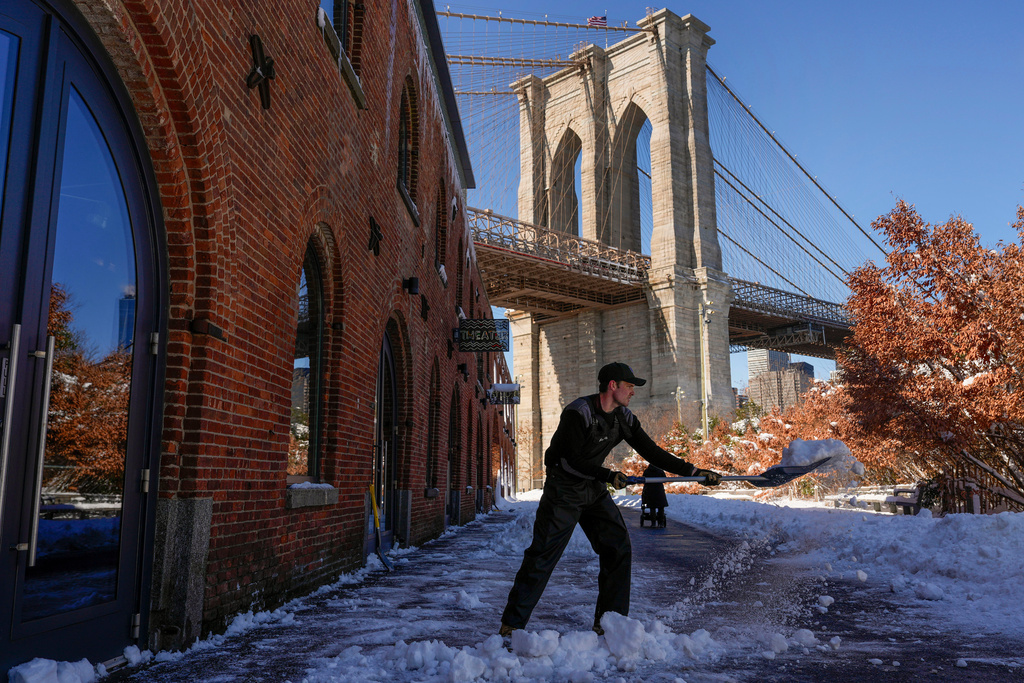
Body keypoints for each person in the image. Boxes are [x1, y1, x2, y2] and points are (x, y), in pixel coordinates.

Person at [499, 362, 722, 637]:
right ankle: (512, 625)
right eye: (629, 386)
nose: (633, 392)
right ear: (612, 385)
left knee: (618, 547)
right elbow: (569, 461)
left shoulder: (623, 418)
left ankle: (610, 623)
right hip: (564, 490)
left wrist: (693, 471)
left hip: (592, 488)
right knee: (543, 555)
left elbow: (652, 451)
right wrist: (607, 474)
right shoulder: (578, 412)